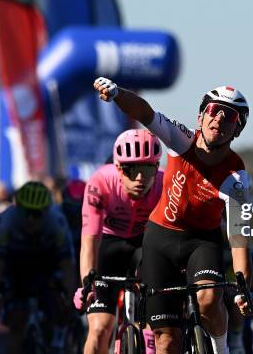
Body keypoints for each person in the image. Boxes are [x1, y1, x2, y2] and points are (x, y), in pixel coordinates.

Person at [93, 77, 253, 354]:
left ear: (237, 129)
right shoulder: (181, 140)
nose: (218, 118)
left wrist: (244, 286)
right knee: (167, 342)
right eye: (212, 110)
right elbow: (145, 113)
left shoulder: (236, 176)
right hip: (160, 239)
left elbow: (239, 235)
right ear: (200, 116)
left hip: (201, 242)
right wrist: (118, 93)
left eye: (228, 116)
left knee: (208, 299)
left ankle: (221, 348)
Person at [74, 128, 163, 354]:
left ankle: (148, 336)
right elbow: (89, 241)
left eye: (147, 169)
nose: (140, 179)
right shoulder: (100, 182)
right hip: (109, 245)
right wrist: (86, 283)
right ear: (118, 168)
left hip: (146, 244)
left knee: (156, 318)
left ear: (156, 167)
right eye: (131, 170)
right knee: (99, 329)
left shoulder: (166, 183)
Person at [0, 181, 75, 354]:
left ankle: (57, 343)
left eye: (36, 214)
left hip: (47, 263)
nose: (30, 219)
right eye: (26, 212)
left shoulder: (57, 222)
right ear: (17, 207)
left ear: (46, 211)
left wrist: (68, 296)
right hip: (16, 265)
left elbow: (67, 265)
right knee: (16, 324)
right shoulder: (5, 221)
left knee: (59, 307)